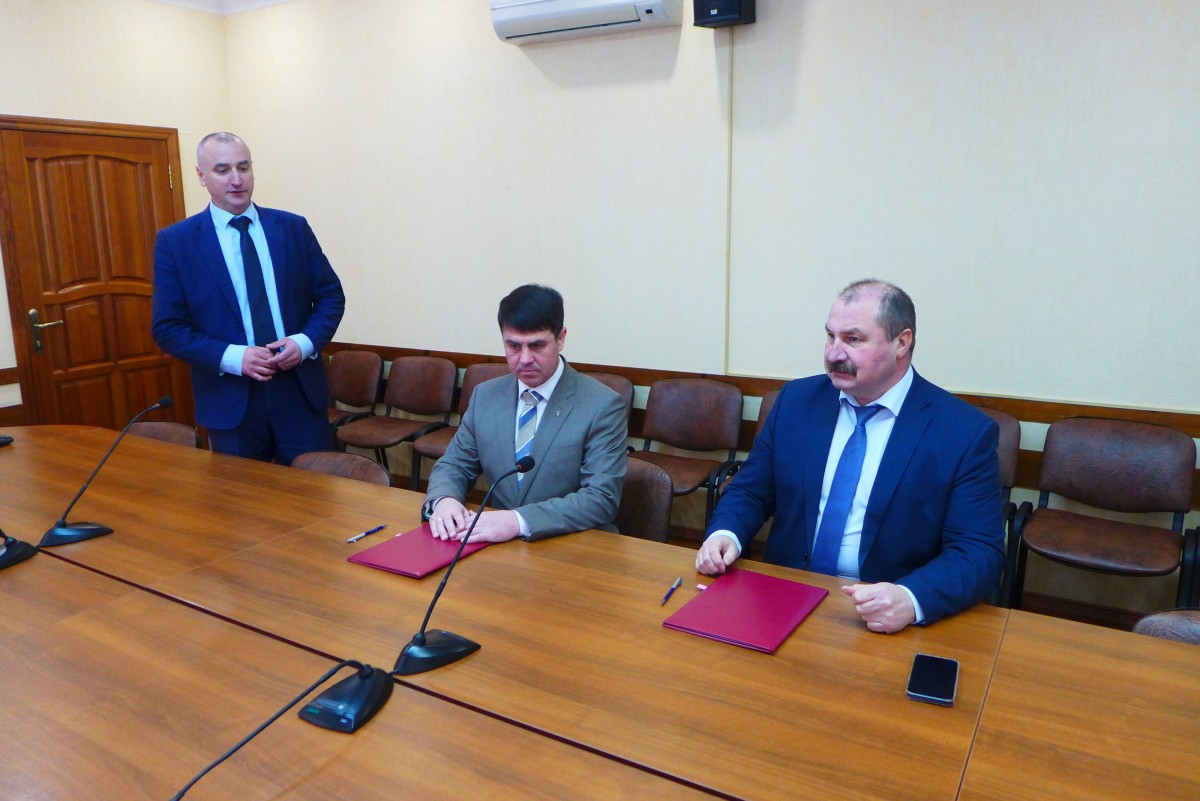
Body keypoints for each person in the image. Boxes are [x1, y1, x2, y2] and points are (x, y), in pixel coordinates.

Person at [697, 279, 1004, 633]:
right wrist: (727, 534)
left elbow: (978, 551)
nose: (833, 354)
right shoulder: (796, 401)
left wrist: (910, 598)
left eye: (853, 339)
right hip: (784, 598)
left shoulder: (962, 432)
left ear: (902, 342)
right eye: (831, 336)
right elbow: (751, 490)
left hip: (882, 616)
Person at [152, 132, 345, 465]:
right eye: (222, 170)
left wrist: (304, 343)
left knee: (313, 491)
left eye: (243, 167)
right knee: (242, 496)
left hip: (298, 393)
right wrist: (233, 357)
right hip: (230, 399)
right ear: (201, 175)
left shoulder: (292, 228)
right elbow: (168, 327)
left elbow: (331, 295)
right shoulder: (177, 242)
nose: (236, 179)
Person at [424, 284, 628, 543]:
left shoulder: (602, 405)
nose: (524, 359)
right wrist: (445, 500)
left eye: (537, 345)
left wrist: (518, 521)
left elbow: (601, 498)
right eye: (513, 346)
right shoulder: (485, 396)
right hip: (498, 545)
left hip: (571, 543)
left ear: (561, 338)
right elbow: (455, 464)